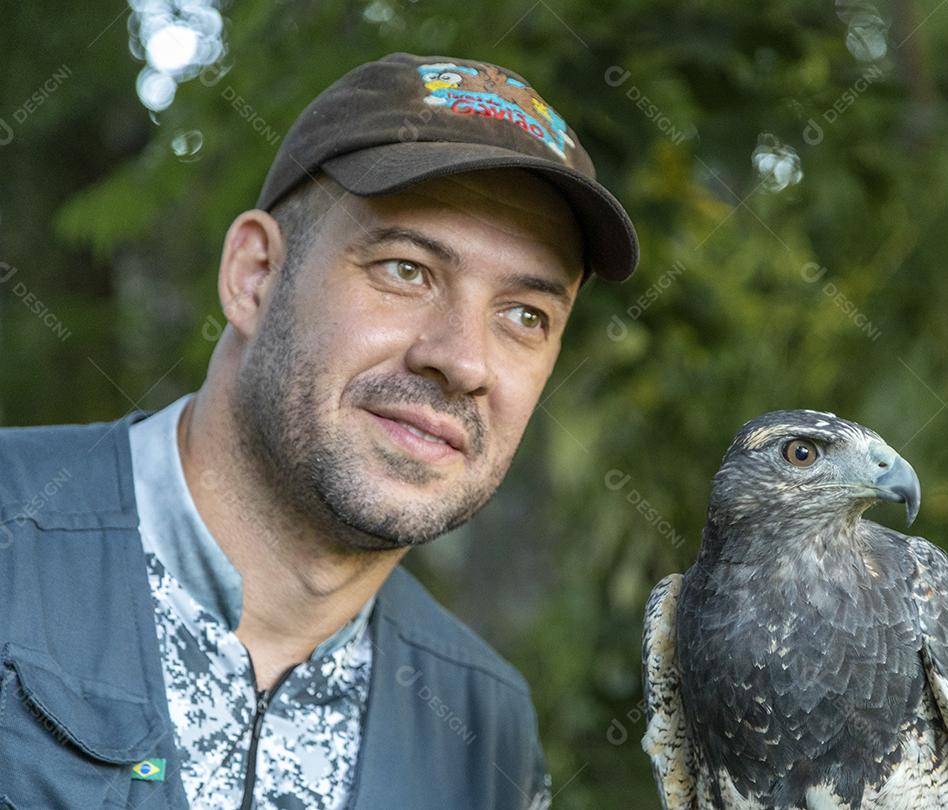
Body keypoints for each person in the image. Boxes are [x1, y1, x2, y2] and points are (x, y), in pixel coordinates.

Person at [0, 52, 637, 809]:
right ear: (255, 276)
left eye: (525, 316)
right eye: (406, 270)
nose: (463, 360)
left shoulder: (485, 729)